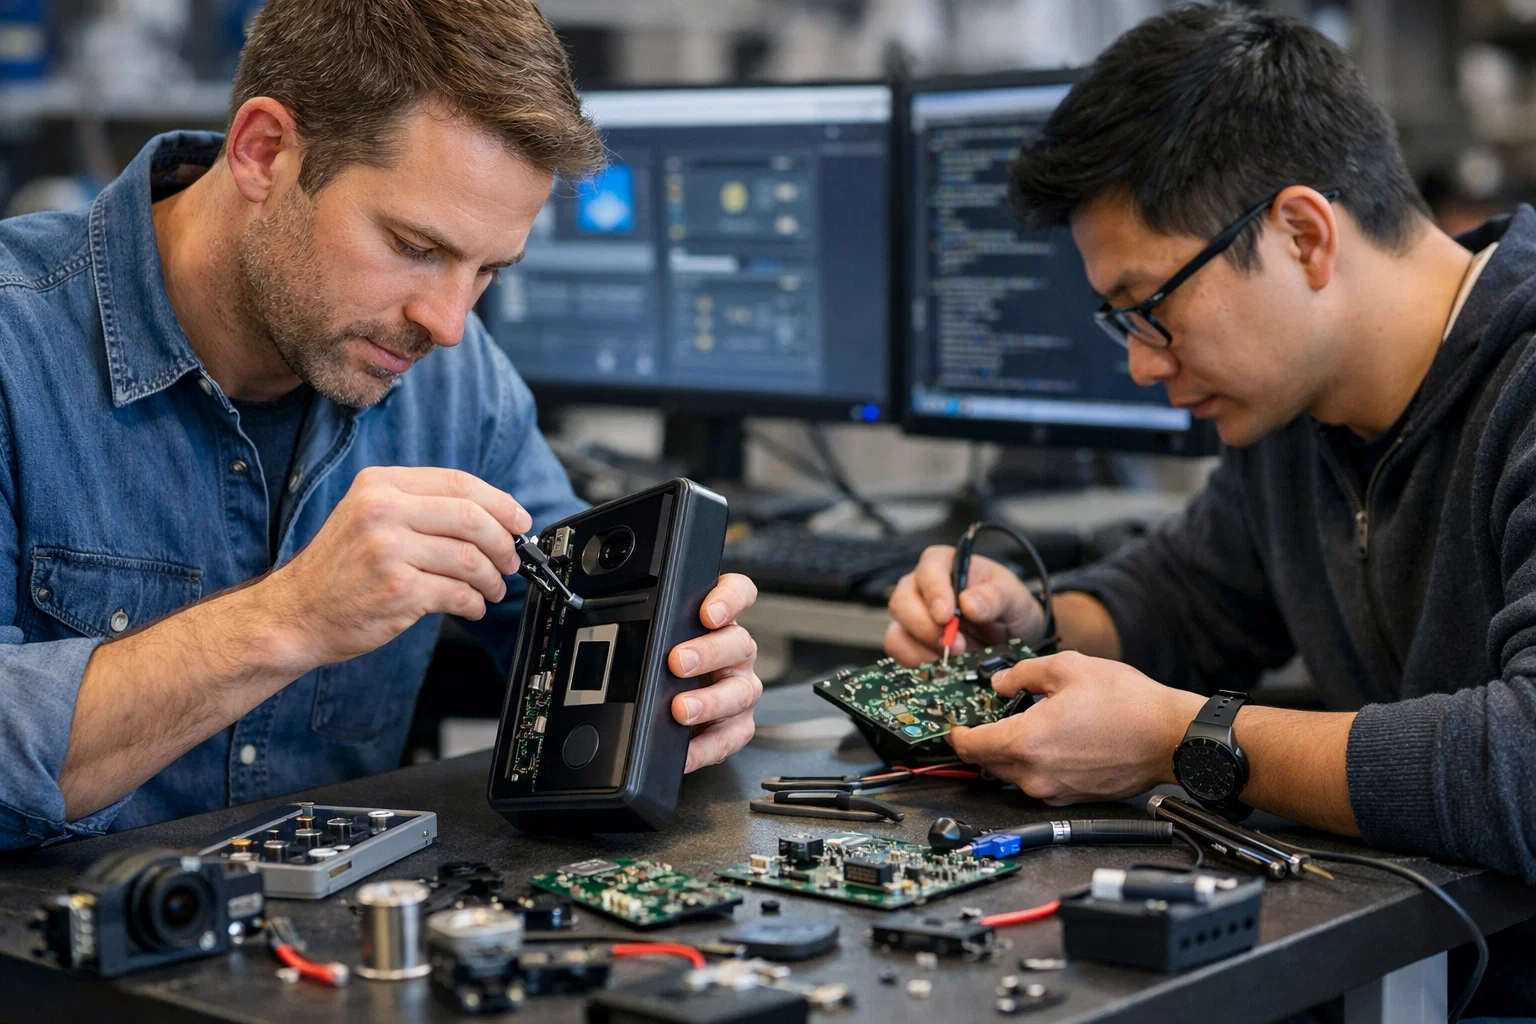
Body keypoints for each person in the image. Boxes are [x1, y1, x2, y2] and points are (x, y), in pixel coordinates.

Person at [886, 7, 1536, 1008]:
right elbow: (1194, 592)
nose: (1144, 366)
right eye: (1120, 323)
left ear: (1303, 234)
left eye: (1151, 308)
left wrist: (1183, 738)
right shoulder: (1301, 408)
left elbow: (1526, 768)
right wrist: (1027, 625)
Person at [0, 0, 762, 851]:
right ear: (263, 151)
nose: (447, 323)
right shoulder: (14, 348)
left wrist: (683, 680)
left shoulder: (459, 387)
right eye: (415, 246)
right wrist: (288, 619)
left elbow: (573, 612)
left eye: (488, 270)